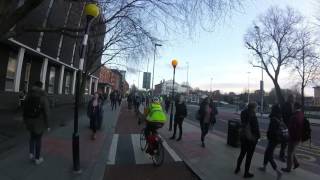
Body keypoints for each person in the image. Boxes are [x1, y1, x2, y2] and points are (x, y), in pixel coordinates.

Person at [23, 81, 50, 165]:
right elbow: (47, 112)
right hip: (39, 122)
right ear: (41, 87)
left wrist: (25, 120)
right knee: (38, 139)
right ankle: (37, 158)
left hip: (29, 120)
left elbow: (24, 108)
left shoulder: (29, 94)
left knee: (32, 137)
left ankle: (31, 153)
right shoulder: (43, 96)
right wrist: (48, 125)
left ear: (34, 86)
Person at [235, 102, 261, 178]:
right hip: (251, 138)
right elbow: (256, 128)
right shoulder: (253, 115)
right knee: (249, 156)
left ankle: (237, 168)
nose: (256, 109)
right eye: (256, 107)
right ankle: (246, 173)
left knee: (242, 153)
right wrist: (258, 136)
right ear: (253, 107)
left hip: (243, 136)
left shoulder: (243, 112)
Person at [259, 104, 284, 180]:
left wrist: (268, 135)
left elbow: (272, 130)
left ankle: (278, 171)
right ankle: (264, 166)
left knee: (269, 154)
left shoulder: (273, 119)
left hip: (273, 139)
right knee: (267, 152)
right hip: (276, 139)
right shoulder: (279, 117)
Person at [281, 102, 304, 172]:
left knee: (289, 153)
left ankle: (288, 168)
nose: (292, 108)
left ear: (295, 107)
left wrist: (288, 135)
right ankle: (296, 163)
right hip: (299, 136)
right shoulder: (301, 114)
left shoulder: (294, 116)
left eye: (293, 106)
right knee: (292, 151)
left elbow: (291, 128)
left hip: (293, 137)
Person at [279, 94, 294, 162]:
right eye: (292, 98)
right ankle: (281, 155)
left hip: (288, 125)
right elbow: (284, 115)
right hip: (285, 126)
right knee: (284, 142)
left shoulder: (290, 105)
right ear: (289, 98)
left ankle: (282, 154)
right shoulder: (286, 105)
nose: (293, 99)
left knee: (286, 142)